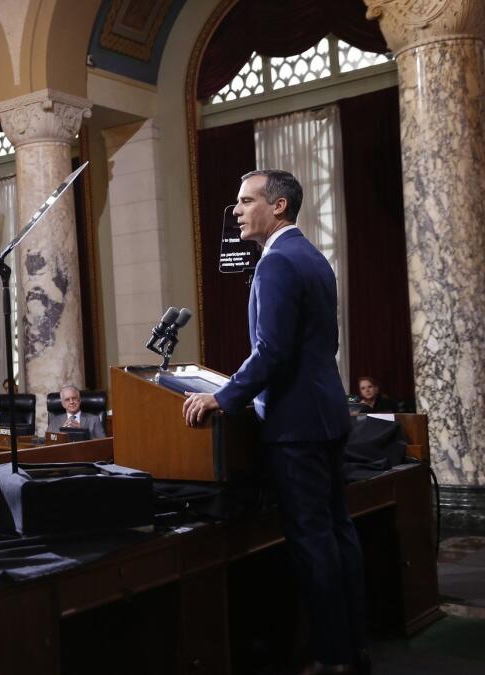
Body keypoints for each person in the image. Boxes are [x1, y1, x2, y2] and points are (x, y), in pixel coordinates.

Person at [182, 169, 363, 674]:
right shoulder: (313, 257)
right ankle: (355, 645)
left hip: (295, 424)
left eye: (245, 201)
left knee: (312, 540)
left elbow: (272, 351)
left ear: (277, 206)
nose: (236, 211)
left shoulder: (277, 263)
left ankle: (332, 657)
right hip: (327, 412)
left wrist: (226, 397)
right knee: (338, 532)